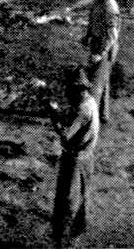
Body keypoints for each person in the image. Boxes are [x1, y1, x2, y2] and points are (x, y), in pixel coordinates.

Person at [48, 65, 100, 248]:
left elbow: (65, 135)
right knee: (81, 198)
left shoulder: (82, 111)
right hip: (87, 157)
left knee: (67, 200)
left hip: (74, 160)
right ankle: (74, 235)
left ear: (78, 89)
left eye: (69, 89)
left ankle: (63, 240)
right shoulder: (90, 102)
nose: (66, 93)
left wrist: (54, 115)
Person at [82, 0, 120, 124]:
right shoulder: (98, 2)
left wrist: (101, 53)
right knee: (102, 80)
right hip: (96, 42)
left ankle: (89, 120)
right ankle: (103, 115)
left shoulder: (110, 6)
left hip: (105, 46)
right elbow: (93, 21)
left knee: (96, 84)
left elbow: (112, 35)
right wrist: (87, 36)